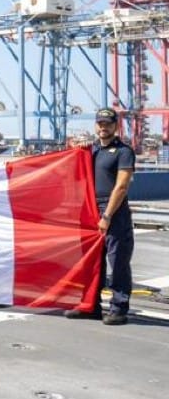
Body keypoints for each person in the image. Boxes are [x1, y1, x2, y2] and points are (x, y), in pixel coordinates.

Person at [67, 108, 136, 325]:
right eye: (100, 123)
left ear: (116, 126)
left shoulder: (124, 152)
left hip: (114, 211)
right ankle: (91, 306)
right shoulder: (91, 150)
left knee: (118, 261)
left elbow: (121, 186)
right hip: (90, 208)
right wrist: (77, 150)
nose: (103, 127)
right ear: (95, 125)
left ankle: (119, 308)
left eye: (108, 123)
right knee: (91, 262)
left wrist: (106, 216)